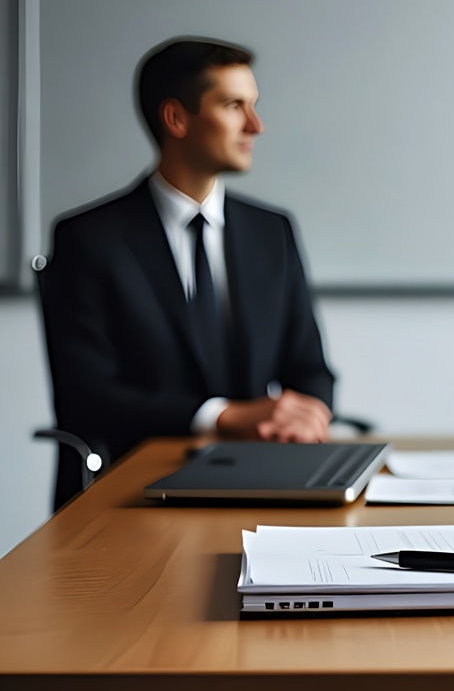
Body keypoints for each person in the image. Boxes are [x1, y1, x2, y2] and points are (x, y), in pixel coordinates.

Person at [43, 38, 335, 509]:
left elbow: (311, 368)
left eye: (254, 106)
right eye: (234, 105)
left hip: (263, 480)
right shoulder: (90, 239)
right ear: (177, 119)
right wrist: (223, 417)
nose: (256, 126)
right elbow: (87, 396)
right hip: (133, 489)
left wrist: (308, 415)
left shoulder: (271, 231)